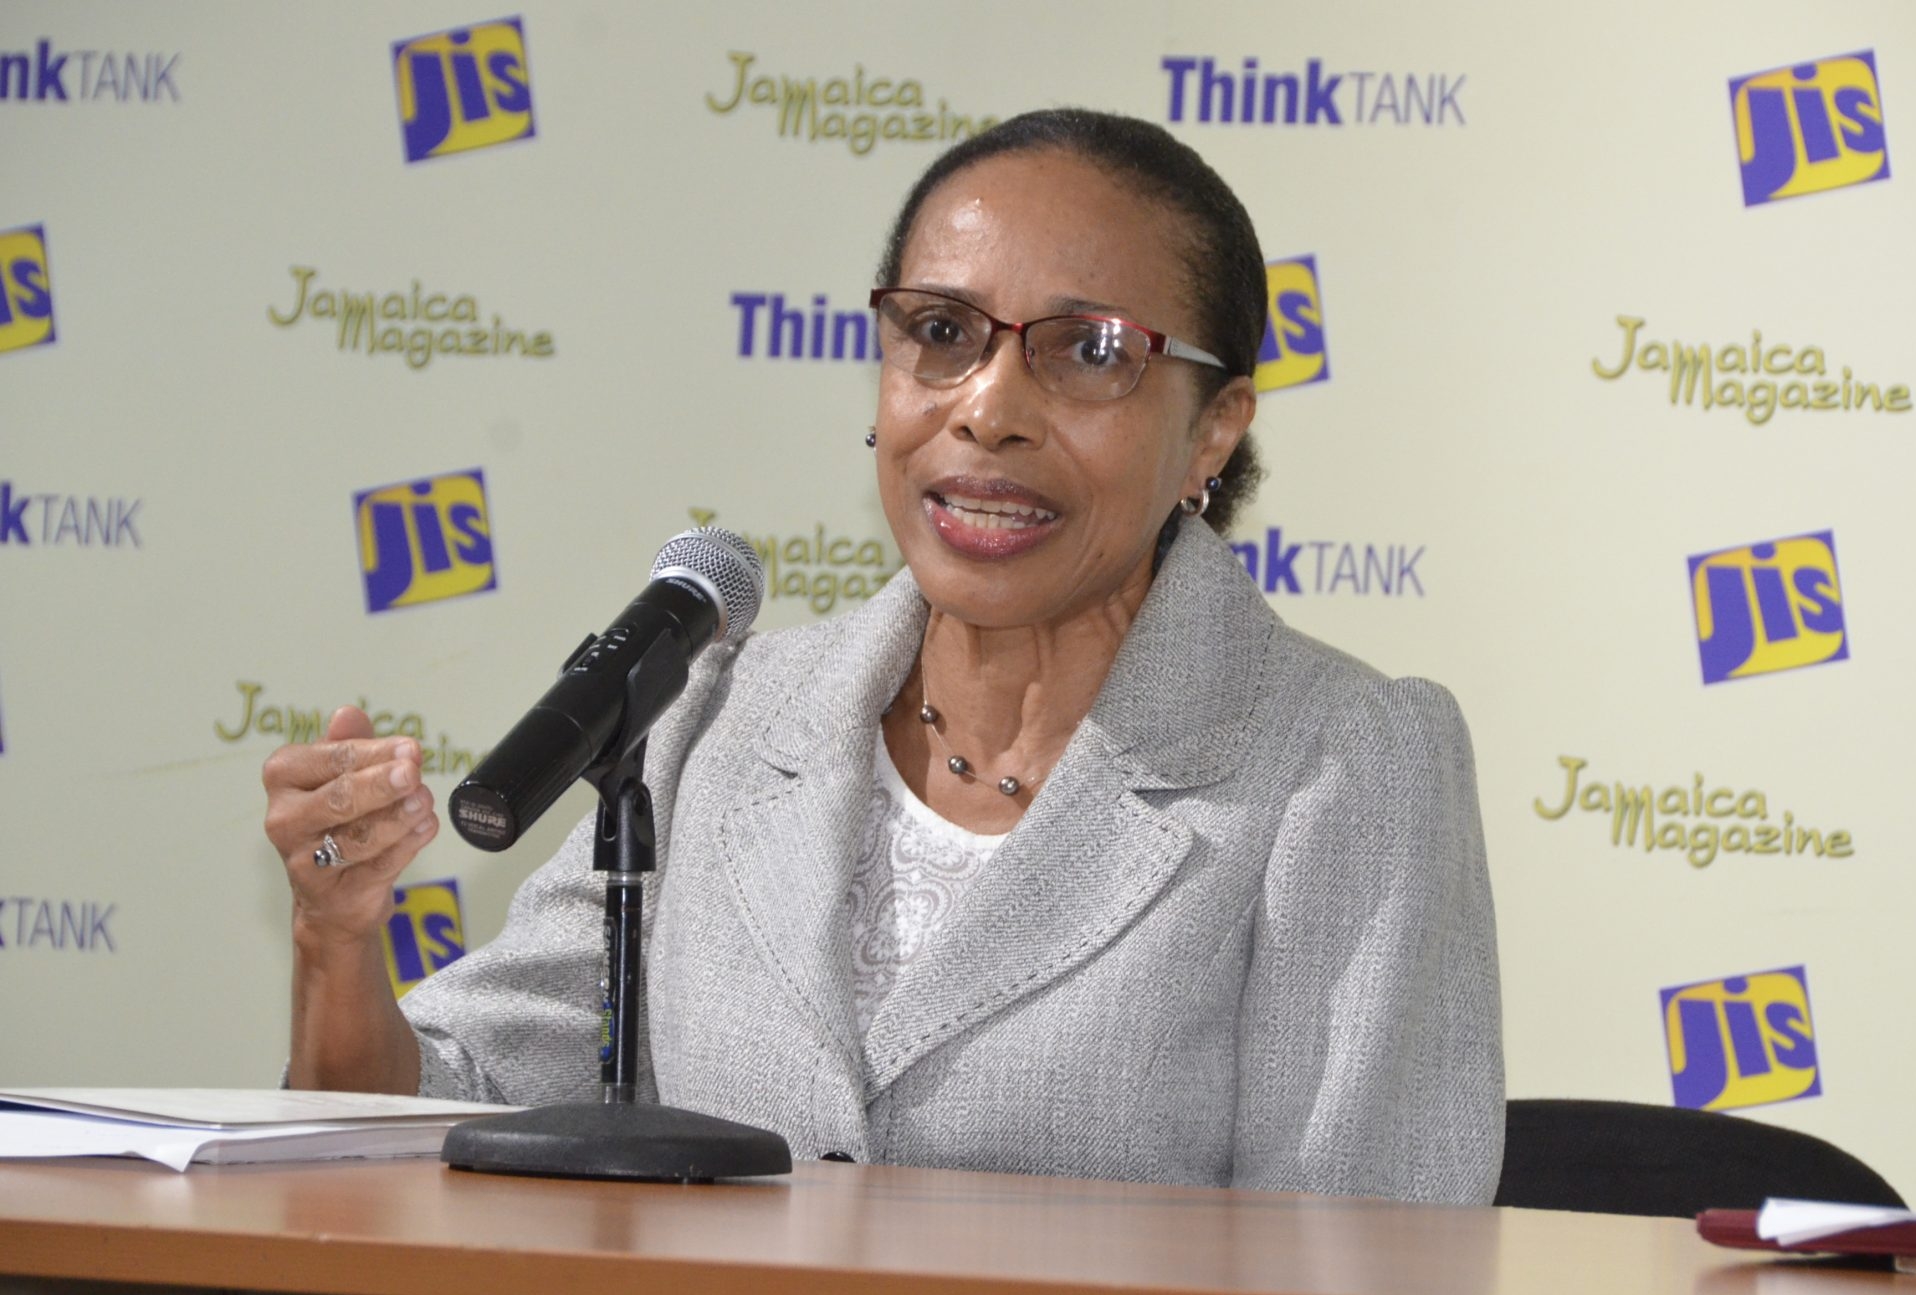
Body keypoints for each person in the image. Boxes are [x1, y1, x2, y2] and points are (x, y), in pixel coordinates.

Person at [264, 108, 1504, 1206]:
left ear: (1212, 431)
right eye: (942, 331)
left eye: (1086, 351)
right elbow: (419, 1124)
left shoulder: (1338, 766)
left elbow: (1367, 1273)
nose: (987, 406)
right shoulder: (724, 719)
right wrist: (338, 935)